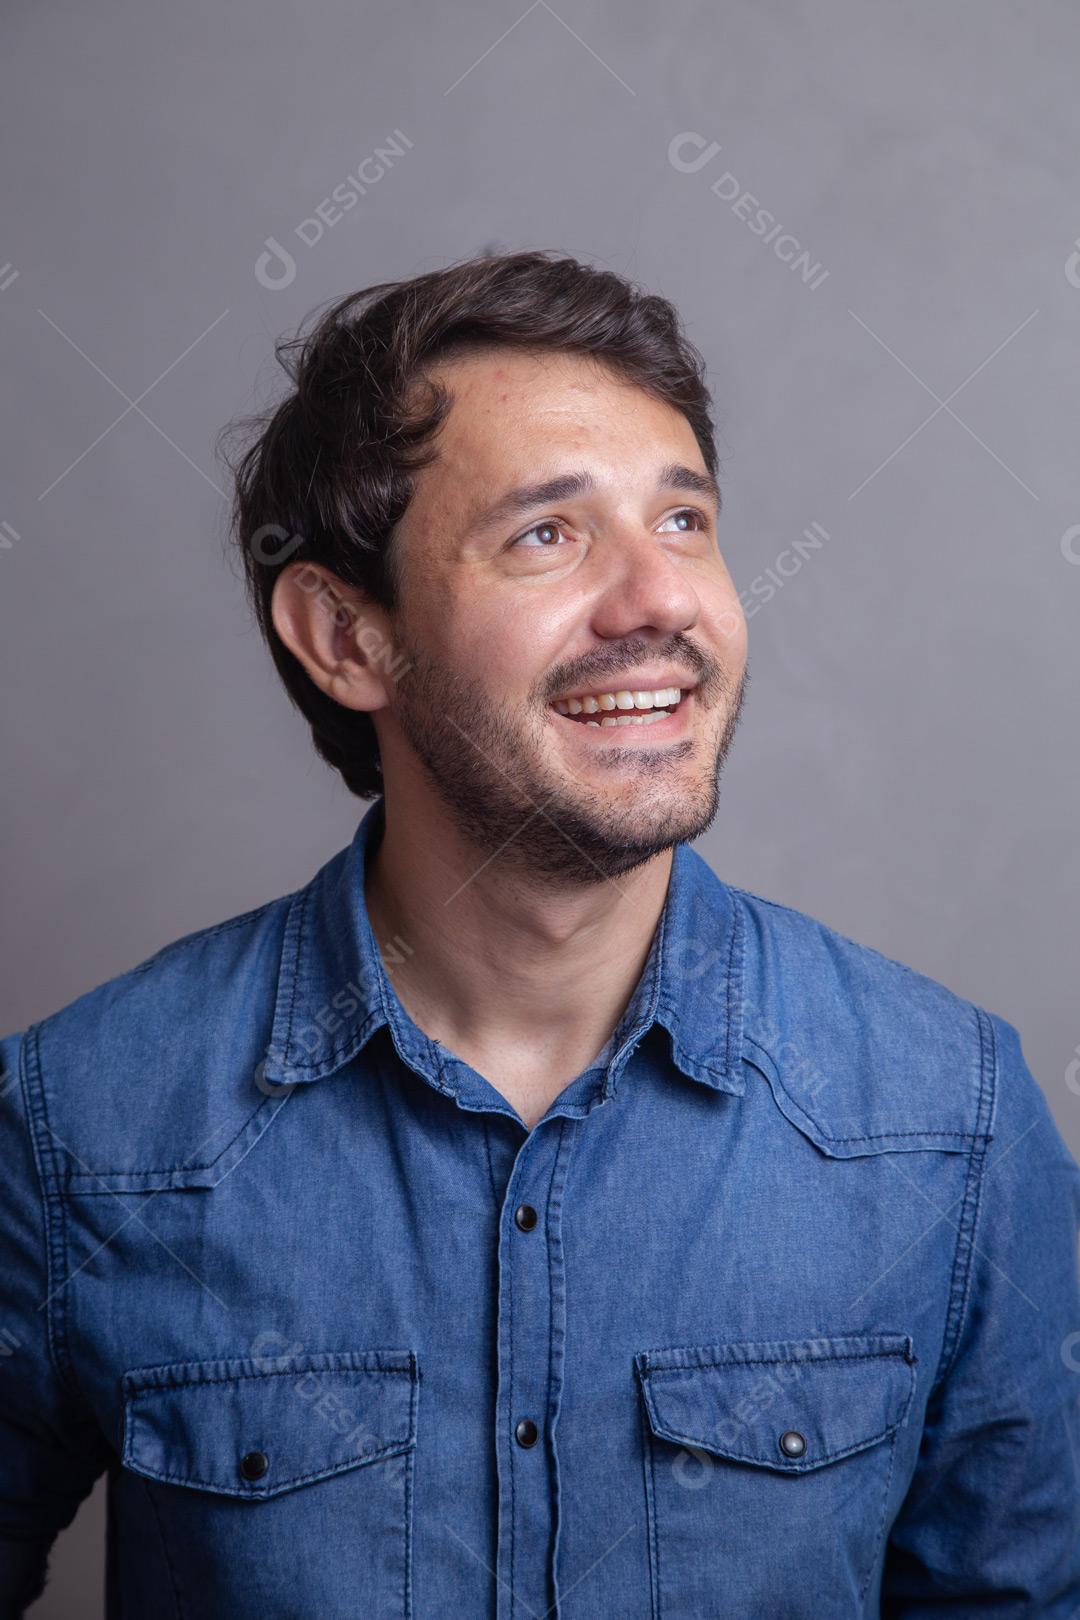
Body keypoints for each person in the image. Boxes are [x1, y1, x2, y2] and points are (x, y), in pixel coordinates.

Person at [1, 249, 1077, 1619]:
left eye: (684, 523)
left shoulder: (956, 1119)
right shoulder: (80, 1123)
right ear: (345, 636)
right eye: (547, 536)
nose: (659, 603)